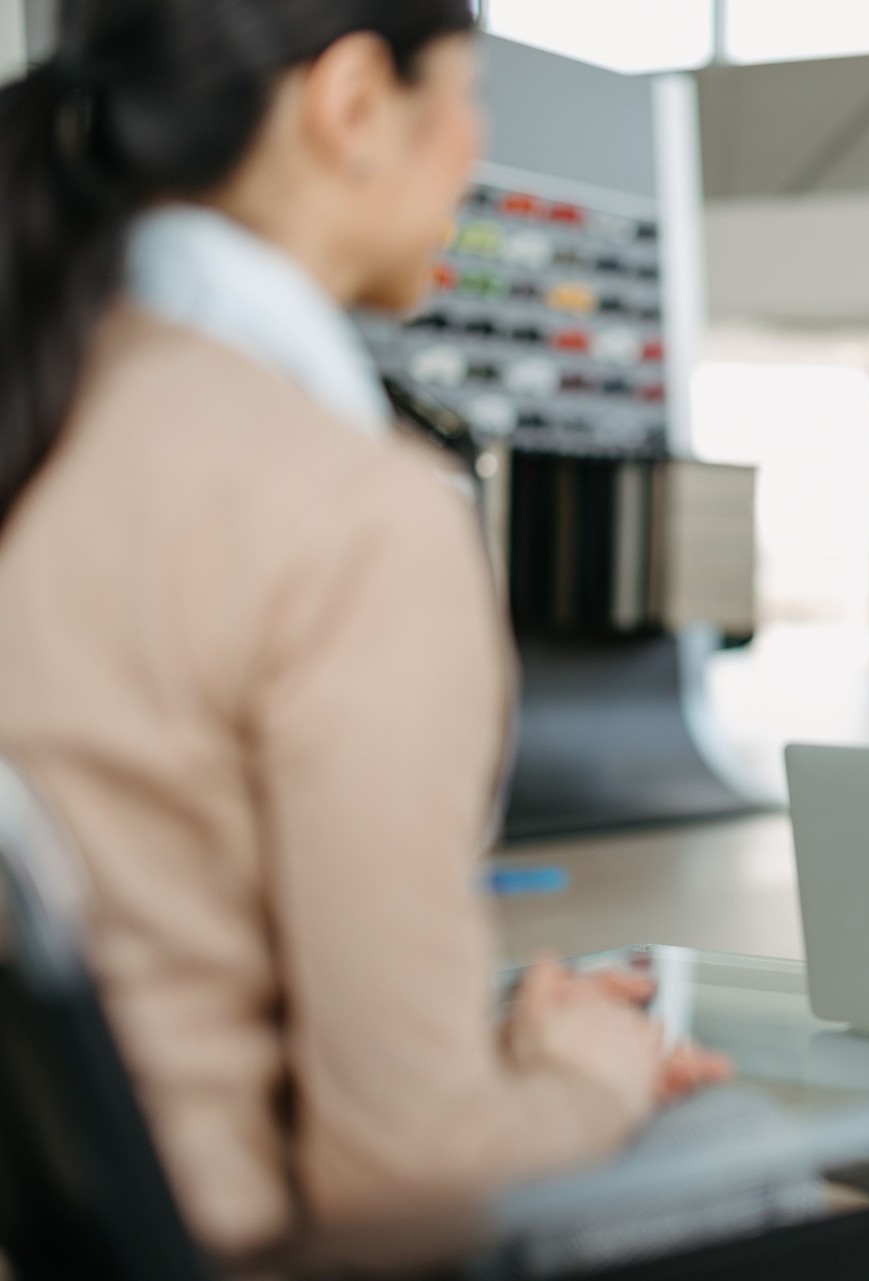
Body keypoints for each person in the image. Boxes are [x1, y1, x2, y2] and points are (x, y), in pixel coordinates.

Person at [0, 1, 731, 1262]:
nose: (472, 146)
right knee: (726, 1144)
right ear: (349, 104)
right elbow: (404, 1179)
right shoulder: (357, 515)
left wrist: (479, 1056)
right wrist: (587, 1075)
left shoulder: (47, 412)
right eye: (464, 97)